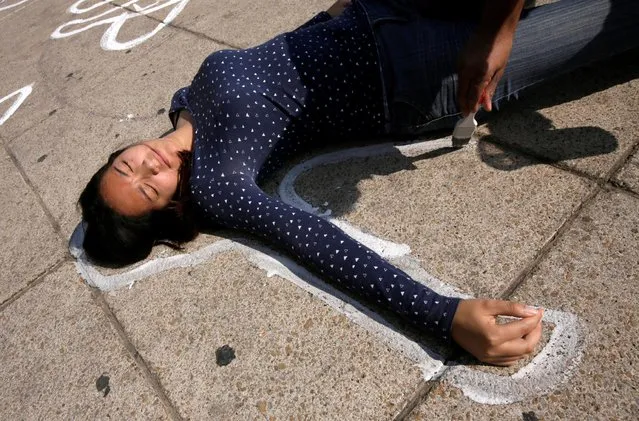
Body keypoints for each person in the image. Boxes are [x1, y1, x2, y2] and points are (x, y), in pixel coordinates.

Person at [78, 0, 638, 365]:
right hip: (417, 75)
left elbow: (271, 58)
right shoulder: (221, 185)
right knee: (616, 19)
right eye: (151, 188)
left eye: (127, 167)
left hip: (380, 12)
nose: (148, 166)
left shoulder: (184, 103)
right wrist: (441, 316)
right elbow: (310, 239)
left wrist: (332, 15)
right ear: (174, 207)